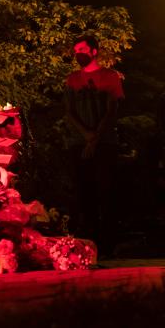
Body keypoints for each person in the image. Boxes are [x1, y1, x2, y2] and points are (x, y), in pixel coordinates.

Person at [64, 35, 123, 253]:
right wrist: (87, 136)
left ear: (94, 51)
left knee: (106, 191)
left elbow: (112, 110)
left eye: (82, 49)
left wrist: (95, 137)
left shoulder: (110, 76)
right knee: (83, 191)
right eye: (76, 50)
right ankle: (87, 241)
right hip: (78, 142)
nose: (77, 53)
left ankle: (107, 242)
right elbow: (68, 111)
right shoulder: (72, 79)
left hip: (105, 142)